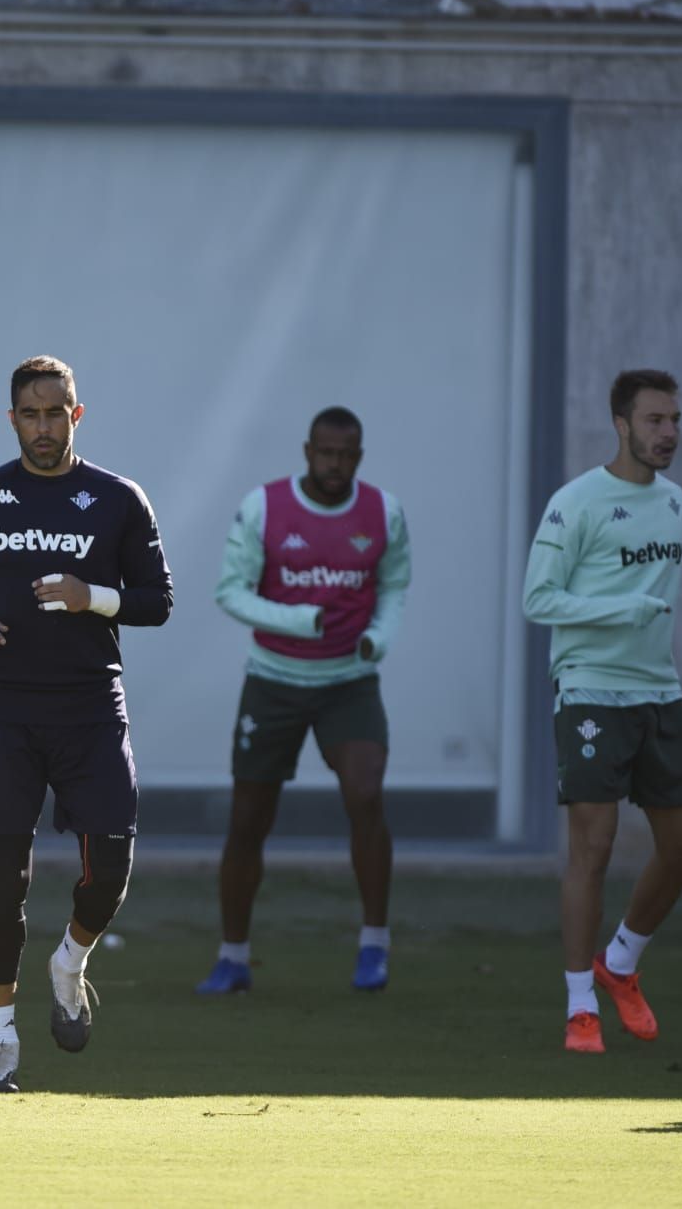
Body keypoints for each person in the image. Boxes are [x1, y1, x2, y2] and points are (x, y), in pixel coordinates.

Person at [0, 355, 173, 1093]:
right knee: (5, 880)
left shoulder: (117, 498)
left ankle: (70, 961)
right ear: (13, 417)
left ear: (77, 415)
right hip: (6, 707)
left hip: (91, 703)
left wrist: (94, 595)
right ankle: (0, 1042)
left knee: (110, 868)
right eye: (32, 412)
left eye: (57, 412)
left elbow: (157, 599)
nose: (45, 426)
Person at [523, 370, 682, 1054]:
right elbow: (537, 600)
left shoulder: (678, 501)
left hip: (659, 690)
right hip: (591, 689)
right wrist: (616, 610)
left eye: (676, 420)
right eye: (655, 420)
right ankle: (580, 1006)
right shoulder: (576, 503)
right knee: (592, 850)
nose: (669, 433)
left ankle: (620, 961)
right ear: (621, 423)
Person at [199, 406, 410, 996]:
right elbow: (230, 592)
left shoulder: (383, 512)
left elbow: (393, 585)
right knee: (248, 819)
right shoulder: (264, 507)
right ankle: (232, 956)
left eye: (347, 455)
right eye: (325, 453)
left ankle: (374, 947)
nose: (335, 464)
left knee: (365, 795)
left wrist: (379, 639)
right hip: (274, 679)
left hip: (349, 681)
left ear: (359, 456)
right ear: (307, 451)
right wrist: (298, 619)